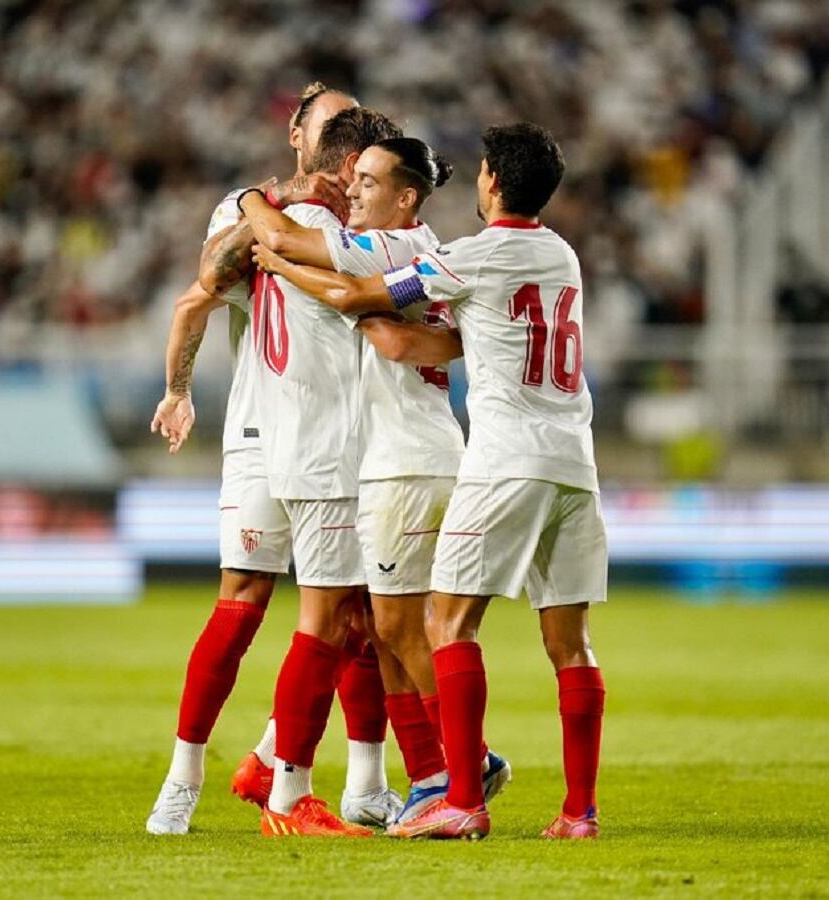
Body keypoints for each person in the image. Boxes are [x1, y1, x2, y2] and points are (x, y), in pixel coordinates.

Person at [252, 122, 608, 841]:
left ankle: (464, 786)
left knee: (440, 625)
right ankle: (577, 813)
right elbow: (445, 334)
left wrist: (278, 260)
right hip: (574, 457)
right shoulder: (561, 256)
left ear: (492, 182)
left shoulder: (466, 259)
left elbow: (364, 305)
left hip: (500, 459)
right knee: (570, 643)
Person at [145, 84, 399, 835]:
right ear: (299, 134)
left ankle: (352, 779)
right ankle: (189, 776)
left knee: (353, 610)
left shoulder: (364, 208)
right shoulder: (243, 206)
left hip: (345, 432)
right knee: (254, 601)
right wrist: (178, 388)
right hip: (268, 431)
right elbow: (204, 283)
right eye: (329, 121)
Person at [239, 136, 512, 824]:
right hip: (407, 456)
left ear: (406, 197)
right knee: (389, 625)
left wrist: (254, 214)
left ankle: (469, 763)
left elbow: (335, 281)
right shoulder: (424, 252)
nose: (354, 192)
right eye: (353, 179)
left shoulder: (400, 248)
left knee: (400, 627)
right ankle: (427, 776)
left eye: (367, 181)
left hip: (409, 461)